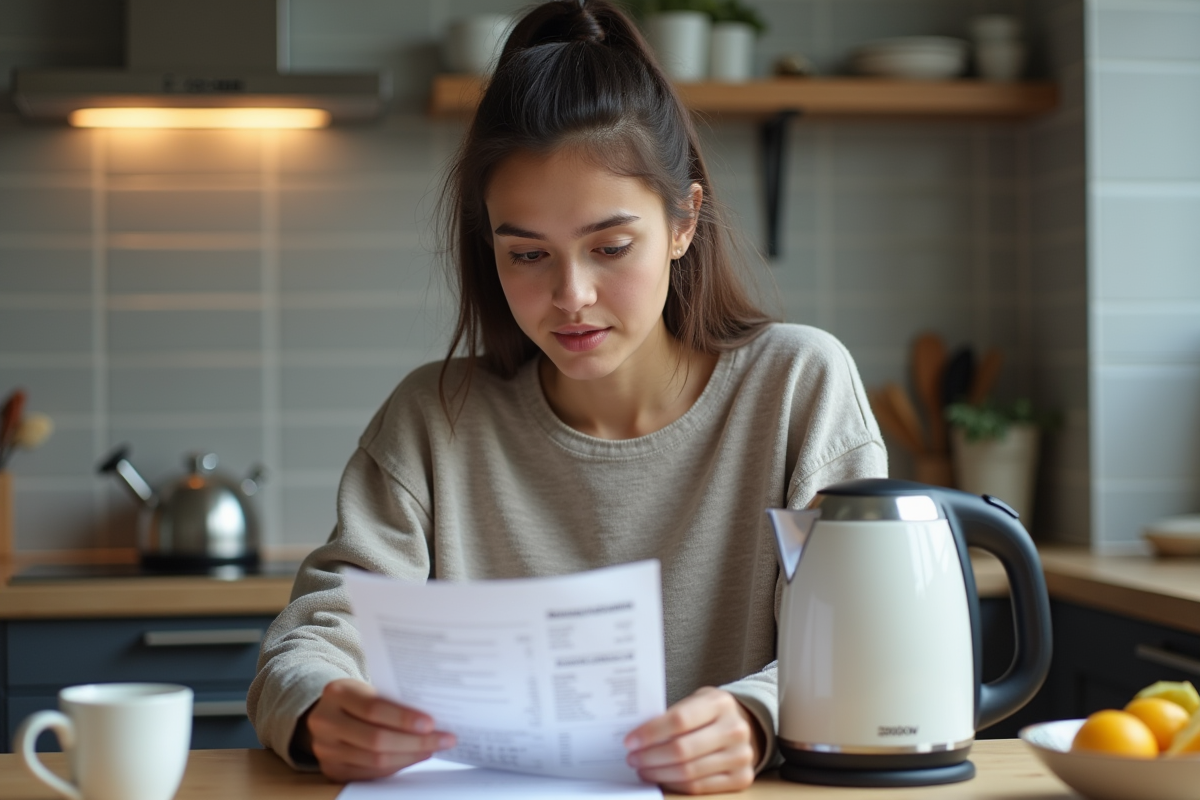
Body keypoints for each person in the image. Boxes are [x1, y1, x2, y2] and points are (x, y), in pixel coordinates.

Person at [248, 0, 886, 794]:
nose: (571, 295)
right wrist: (320, 711)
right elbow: (309, 642)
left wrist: (756, 717)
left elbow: (868, 647)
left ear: (685, 221)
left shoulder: (799, 388)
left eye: (610, 247)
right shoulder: (433, 419)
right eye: (526, 255)